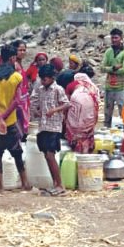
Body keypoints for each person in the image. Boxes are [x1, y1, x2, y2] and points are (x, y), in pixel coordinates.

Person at [0, 44, 32, 193]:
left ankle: (0, 187)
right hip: (10, 121)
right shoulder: (17, 77)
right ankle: (25, 184)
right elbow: (17, 101)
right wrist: (4, 118)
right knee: (16, 152)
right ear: (12, 58)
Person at [30, 64, 70, 196]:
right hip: (43, 126)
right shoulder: (40, 89)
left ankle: (60, 184)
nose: (43, 81)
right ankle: (55, 183)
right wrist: (36, 111)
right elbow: (34, 102)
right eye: (41, 79)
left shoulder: (58, 89)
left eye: (45, 79)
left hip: (54, 126)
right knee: (47, 155)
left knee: (50, 155)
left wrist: (54, 110)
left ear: (52, 78)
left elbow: (66, 104)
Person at [101, 28, 124, 128]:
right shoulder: (108, 51)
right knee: (107, 113)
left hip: (121, 87)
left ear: (121, 38)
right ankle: (106, 133)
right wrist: (114, 67)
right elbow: (102, 68)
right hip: (109, 86)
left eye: (116, 38)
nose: (114, 40)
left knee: (123, 112)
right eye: (112, 38)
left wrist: (109, 69)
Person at [66, 70, 100, 154]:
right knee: (86, 129)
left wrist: (65, 117)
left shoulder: (71, 85)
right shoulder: (92, 86)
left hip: (77, 106)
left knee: (76, 127)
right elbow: (97, 101)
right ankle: (87, 149)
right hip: (90, 110)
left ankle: (76, 150)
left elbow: (66, 103)